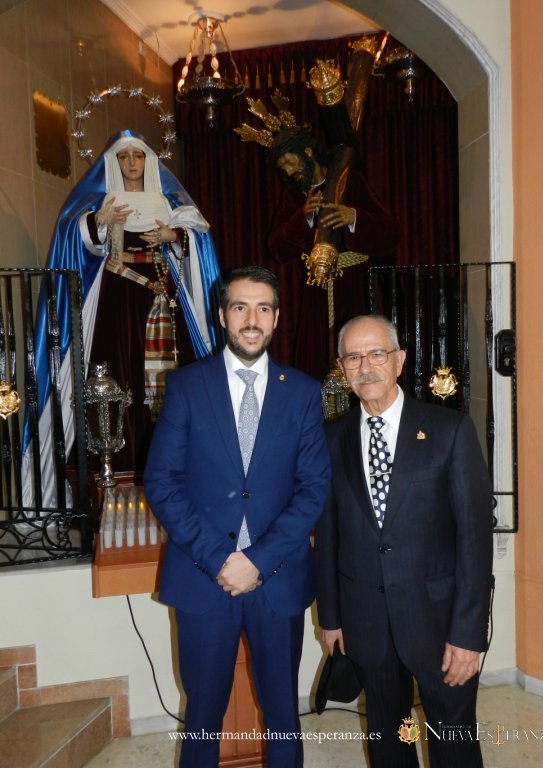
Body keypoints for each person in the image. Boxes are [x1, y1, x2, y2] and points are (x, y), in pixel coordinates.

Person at [144, 266, 331, 768]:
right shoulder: (185, 386)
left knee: (282, 716)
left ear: (276, 318)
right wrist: (222, 558)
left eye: (264, 308)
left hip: (278, 579)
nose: (253, 319)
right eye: (241, 307)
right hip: (204, 580)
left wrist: (258, 559)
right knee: (203, 715)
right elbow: (162, 483)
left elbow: (313, 489)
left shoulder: (303, 392)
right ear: (223, 314)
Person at [314, 315, 493, 768]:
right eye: (353, 357)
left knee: (452, 740)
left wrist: (469, 633)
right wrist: (331, 617)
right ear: (342, 366)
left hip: (440, 625)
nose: (366, 366)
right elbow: (329, 534)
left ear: (399, 360)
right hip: (367, 625)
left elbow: (474, 538)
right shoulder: (331, 440)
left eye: (377, 353)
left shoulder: (450, 432)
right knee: (391, 739)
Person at [23, 130, 220, 499]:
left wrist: (172, 235)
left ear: (149, 161)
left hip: (162, 296)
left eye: (138, 156)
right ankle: (116, 466)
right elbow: (74, 237)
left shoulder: (169, 201)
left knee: (175, 377)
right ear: (113, 163)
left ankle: (182, 466)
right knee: (115, 372)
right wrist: (100, 220)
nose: (131, 164)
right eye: (124, 157)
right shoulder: (101, 201)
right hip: (116, 296)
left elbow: (198, 241)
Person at [267, 127, 400, 380]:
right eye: (282, 166)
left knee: (358, 354)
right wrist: (302, 218)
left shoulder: (351, 182)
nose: (287, 170)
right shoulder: (295, 196)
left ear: (307, 152)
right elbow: (276, 249)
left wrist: (355, 218)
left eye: (289, 161)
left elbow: (392, 233)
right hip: (316, 292)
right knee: (316, 362)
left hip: (354, 287)